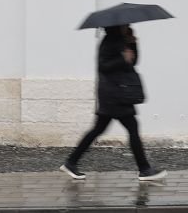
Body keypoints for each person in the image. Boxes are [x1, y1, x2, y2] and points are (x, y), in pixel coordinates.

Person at [60, 24, 167, 181]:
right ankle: (144, 169)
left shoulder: (121, 40)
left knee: (98, 129)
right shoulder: (109, 41)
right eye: (125, 25)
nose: (128, 26)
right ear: (117, 26)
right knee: (131, 127)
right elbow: (103, 66)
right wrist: (122, 58)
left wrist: (132, 43)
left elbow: (132, 62)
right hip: (113, 94)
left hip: (116, 93)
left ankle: (71, 162)